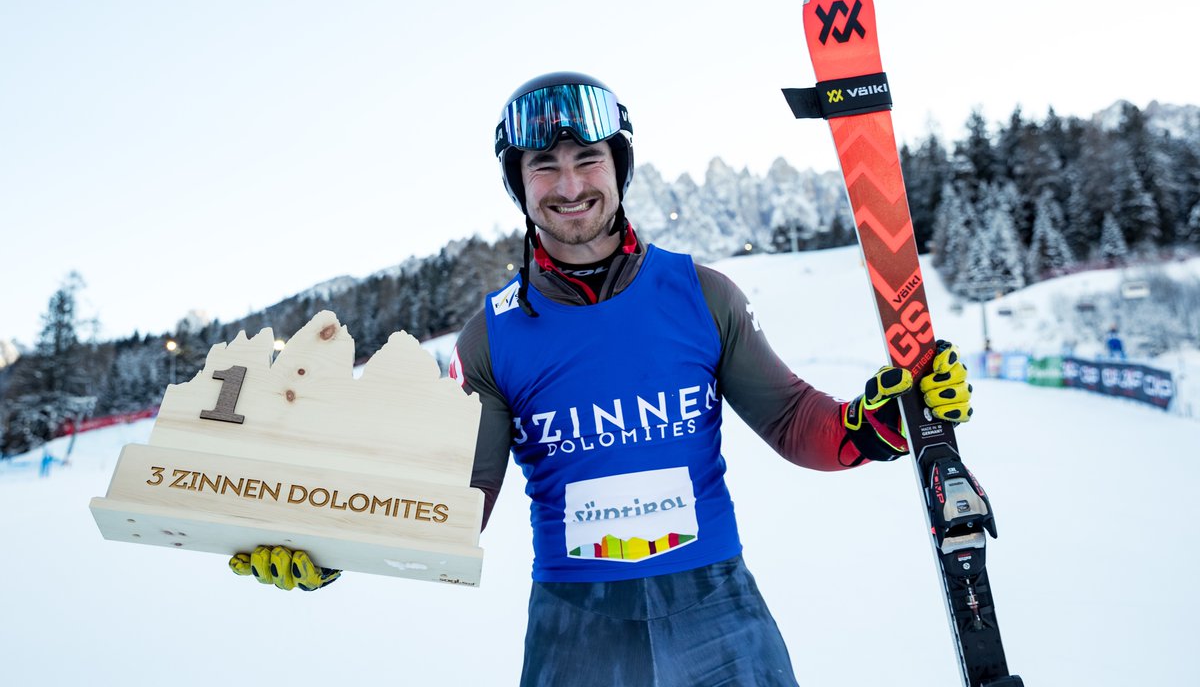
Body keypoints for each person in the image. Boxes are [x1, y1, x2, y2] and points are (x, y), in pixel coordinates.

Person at [230, 72, 974, 686]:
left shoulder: (700, 294)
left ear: (617, 166)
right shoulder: (491, 335)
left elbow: (792, 422)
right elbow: (457, 502)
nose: (570, 183)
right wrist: (331, 541)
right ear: (519, 186)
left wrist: (878, 424)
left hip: (719, 611)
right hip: (576, 629)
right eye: (543, 166)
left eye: (587, 157)